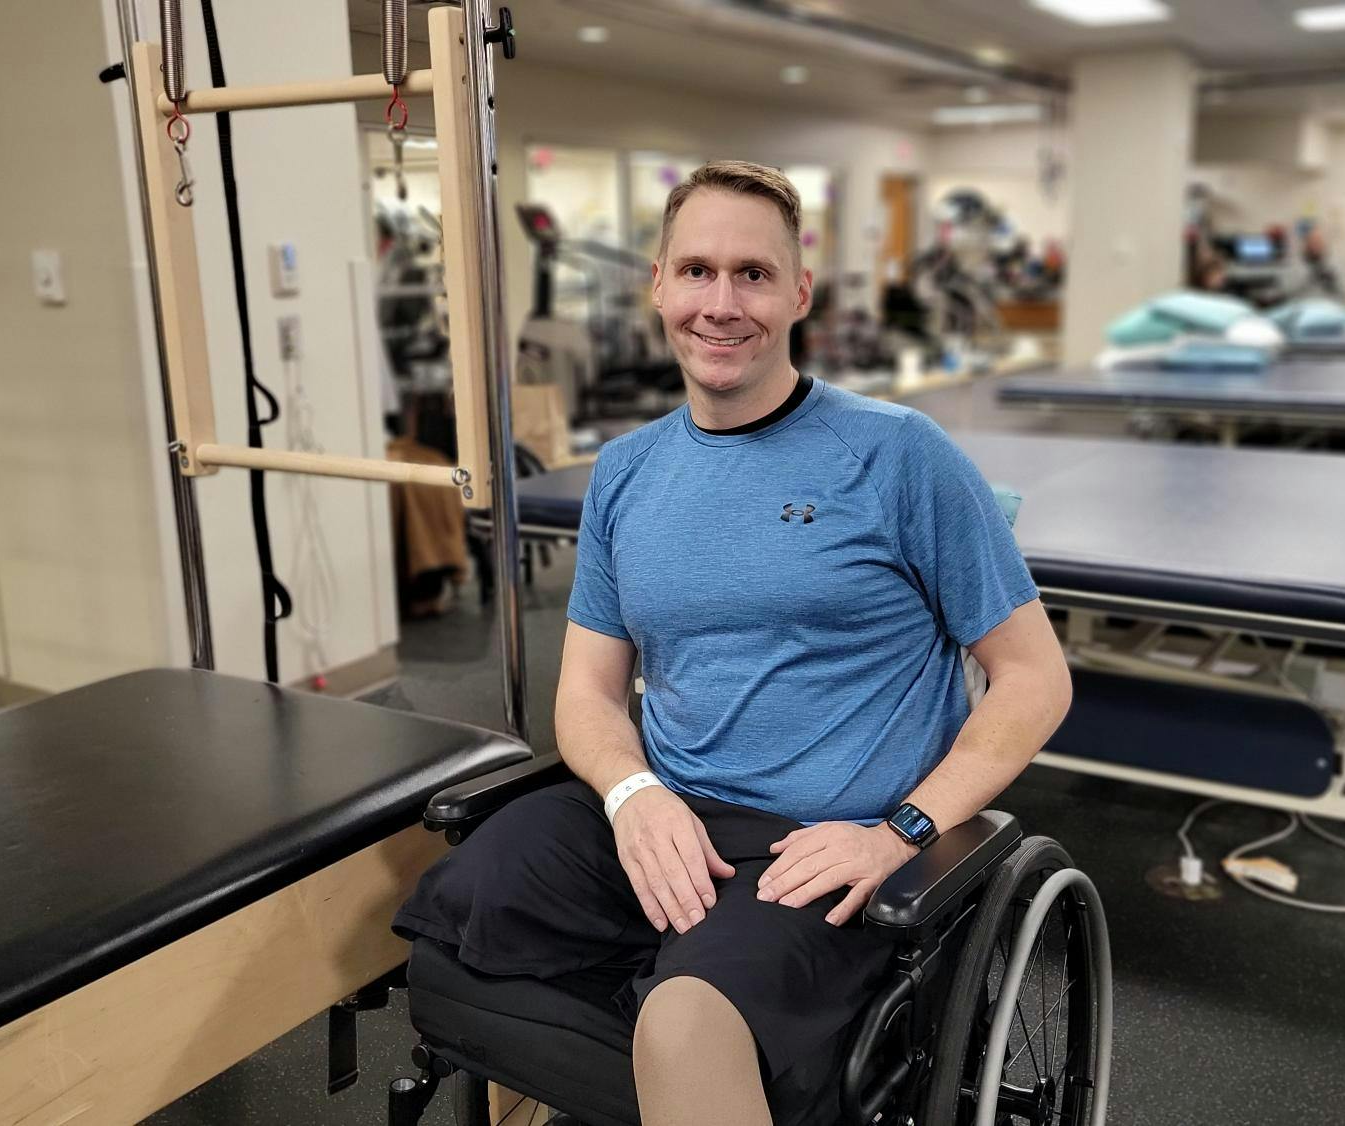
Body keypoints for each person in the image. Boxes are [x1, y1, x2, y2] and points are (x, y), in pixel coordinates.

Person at [394, 160, 1073, 1125]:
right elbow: (588, 693)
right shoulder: (625, 472)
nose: (721, 304)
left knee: (687, 1027)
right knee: (464, 903)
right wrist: (633, 797)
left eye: (753, 274)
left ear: (800, 293)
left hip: (821, 846)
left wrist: (901, 833)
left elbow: (1034, 678)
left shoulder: (899, 455)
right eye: (697, 272)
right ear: (658, 287)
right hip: (666, 814)